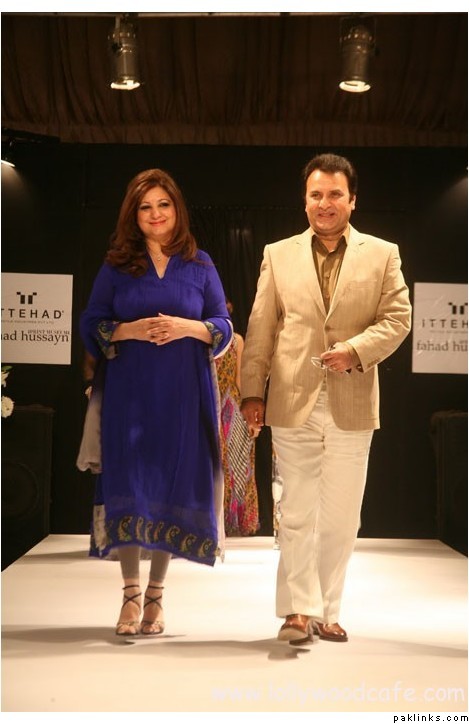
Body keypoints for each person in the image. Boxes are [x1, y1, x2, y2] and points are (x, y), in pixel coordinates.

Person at [240, 153, 411, 644]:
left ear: (352, 200)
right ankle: (298, 611)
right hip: (291, 397)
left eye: (335, 194)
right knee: (296, 510)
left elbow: (398, 319)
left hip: (352, 399)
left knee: (341, 516)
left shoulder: (382, 253)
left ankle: (327, 610)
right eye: (316, 194)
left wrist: (355, 350)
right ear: (305, 200)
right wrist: (252, 391)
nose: (325, 203)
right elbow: (260, 328)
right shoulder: (278, 254)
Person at [78, 168, 232, 636]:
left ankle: (156, 597)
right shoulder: (117, 266)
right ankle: (129, 594)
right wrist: (128, 329)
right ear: (134, 215)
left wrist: (189, 328)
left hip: (184, 395)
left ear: (176, 209)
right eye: (145, 207)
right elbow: (91, 321)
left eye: (163, 204)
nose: (155, 214)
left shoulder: (200, 264)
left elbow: (223, 324)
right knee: (129, 482)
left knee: (171, 486)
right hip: (130, 393)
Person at [215, 300, 259, 536]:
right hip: (220, 402)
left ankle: (230, 520)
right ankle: (222, 519)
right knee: (225, 463)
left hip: (226, 403)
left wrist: (246, 414)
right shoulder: (217, 340)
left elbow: (239, 379)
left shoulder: (234, 340)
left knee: (234, 463)